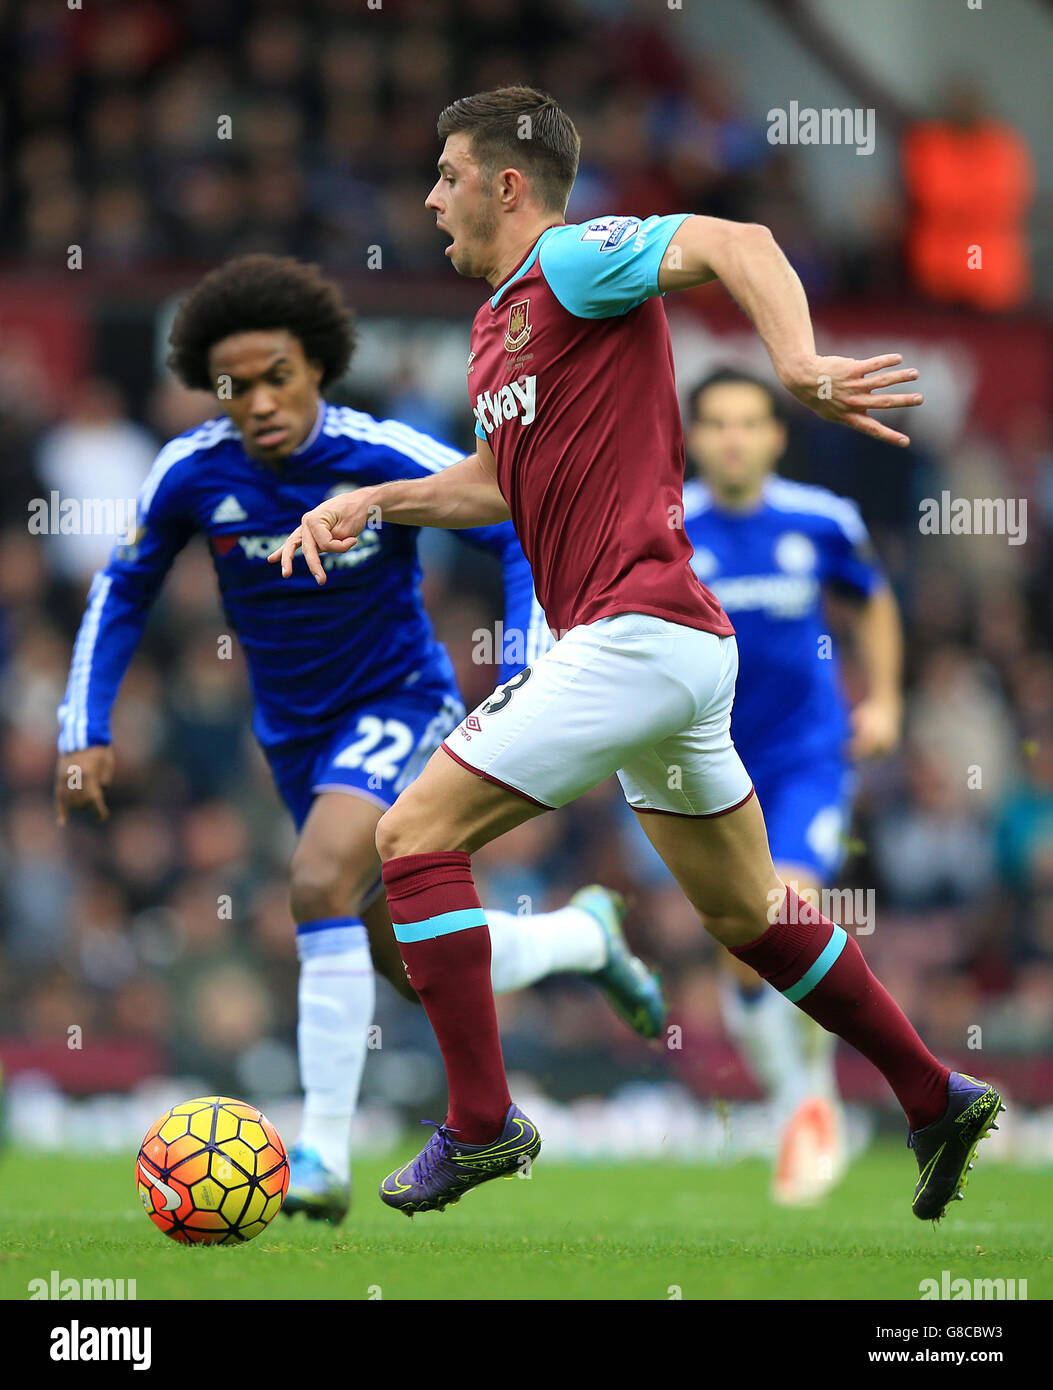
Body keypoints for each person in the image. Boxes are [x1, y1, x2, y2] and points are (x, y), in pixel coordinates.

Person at [273, 88, 1001, 1222]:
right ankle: (932, 1091)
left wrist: (799, 364)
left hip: (635, 630)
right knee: (748, 912)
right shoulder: (496, 327)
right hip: (669, 653)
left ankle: (480, 1124)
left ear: (506, 185)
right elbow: (492, 485)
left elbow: (736, 241)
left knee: (411, 836)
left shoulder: (572, 261)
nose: (428, 197)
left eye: (446, 173)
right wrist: (377, 500)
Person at [54, 253, 666, 1225]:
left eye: (277, 377)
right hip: (294, 742)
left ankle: (321, 1157)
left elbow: (511, 523)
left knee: (313, 879)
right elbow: (121, 587)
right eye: (235, 385)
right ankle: (579, 935)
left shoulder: (380, 452)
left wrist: (525, 649)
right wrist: (82, 723)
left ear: (318, 370)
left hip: (399, 705)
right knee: (414, 965)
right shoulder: (189, 473)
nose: (258, 401)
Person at [682, 367, 903, 1203]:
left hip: (807, 757)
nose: (733, 438)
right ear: (694, 439)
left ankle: (810, 1114)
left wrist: (882, 698)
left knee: (785, 906)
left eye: (749, 423)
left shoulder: (821, 519)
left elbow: (872, 602)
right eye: (716, 423)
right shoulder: (666, 529)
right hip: (703, 766)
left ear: (775, 437)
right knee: (741, 952)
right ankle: (798, 1103)